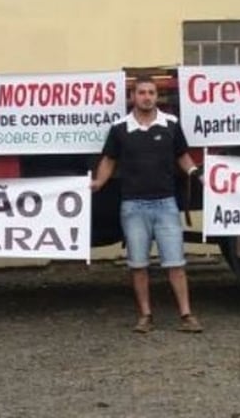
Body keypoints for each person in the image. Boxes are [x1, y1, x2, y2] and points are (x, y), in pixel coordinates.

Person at [92, 76, 203, 333]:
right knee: (138, 265)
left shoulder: (171, 125)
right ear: (133, 97)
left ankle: (186, 315)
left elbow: (182, 156)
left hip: (166, 205)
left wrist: (197, 174)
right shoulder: (120, 128)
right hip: (133, 207)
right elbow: (109, 159)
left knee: (175, 263)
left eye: (151, 92)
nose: (147, 97)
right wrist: (99, 182)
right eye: (141, 92)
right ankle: (145, 316)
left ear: (157, 96)